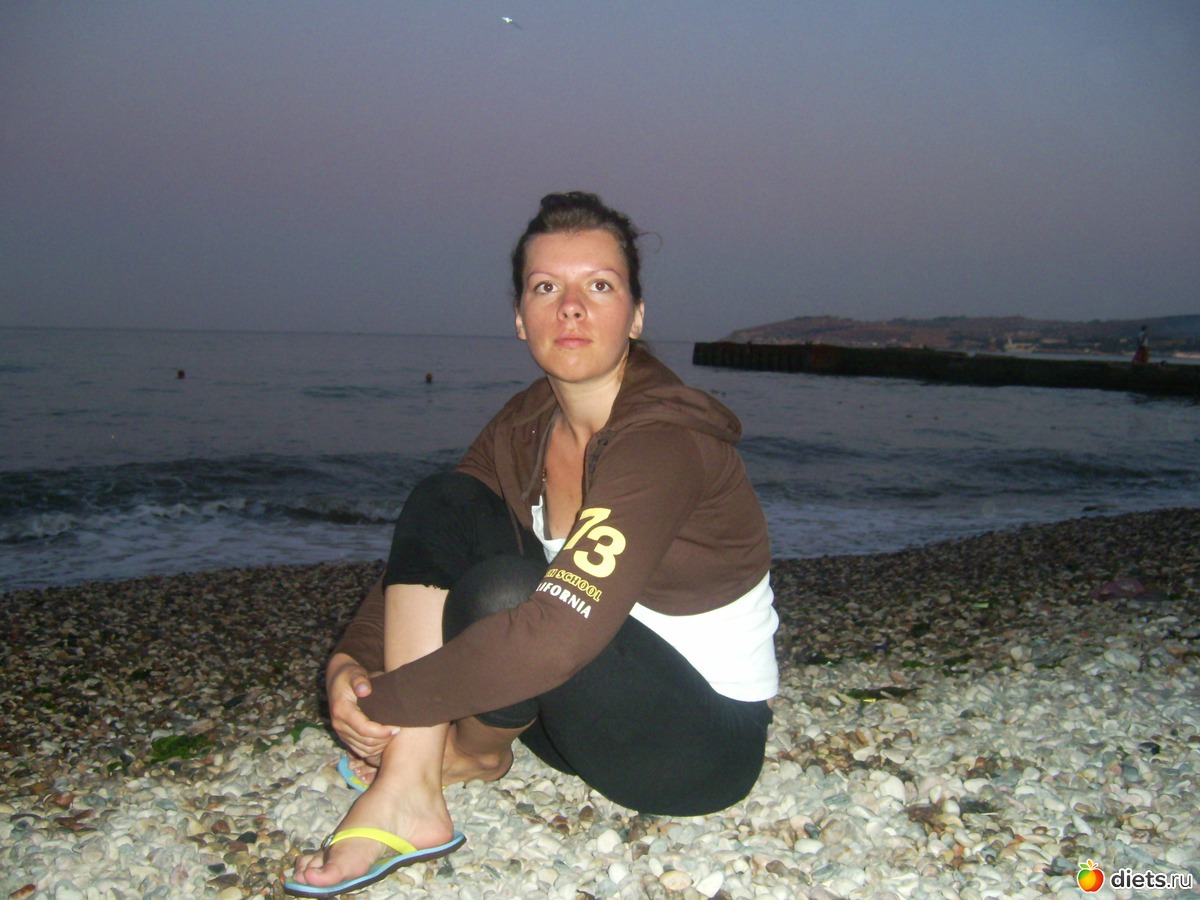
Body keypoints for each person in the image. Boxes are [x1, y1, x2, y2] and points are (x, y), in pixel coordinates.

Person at [285, 191, 779, 897]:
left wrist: (386, 701)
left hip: (696, 746)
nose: (571, 308)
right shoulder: (525, 424)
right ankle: (450, 767)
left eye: (599, 286)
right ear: (521, 317)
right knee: (446, 499)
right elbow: (436, 542)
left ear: (636, 315)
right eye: (547, 287)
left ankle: (412, 782)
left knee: (511, 595)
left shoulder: (664, 441)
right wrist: (352, 664)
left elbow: (552, 641)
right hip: (565, 724)